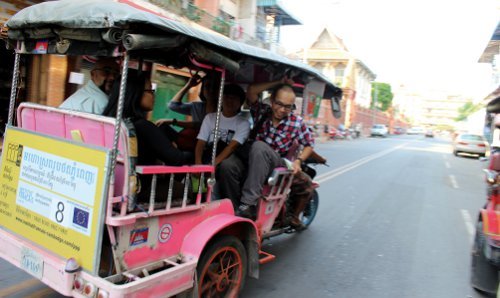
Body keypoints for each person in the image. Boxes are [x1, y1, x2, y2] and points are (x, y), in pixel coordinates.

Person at [218, 78, 315, 229]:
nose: (282, 110)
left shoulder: (296, 122)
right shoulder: (261, 111)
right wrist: (279, 82)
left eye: (288, 107)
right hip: (252, 159)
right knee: (226, 165)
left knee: (259, 147)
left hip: (275, 162)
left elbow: (309, 144)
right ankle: (235, 209)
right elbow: (251, 91)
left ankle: (248, 203)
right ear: (271, 100)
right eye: (279, 104)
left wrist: (298, 161)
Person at [103, 70, 193, 201]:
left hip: (112, 186)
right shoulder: (142, 126)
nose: (153, 95)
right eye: (150, 90)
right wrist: (173, 146)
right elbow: (177, 159)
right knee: (187, 191)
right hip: (140, 189)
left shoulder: (109, 121)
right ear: (136, 93)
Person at [195, 84, 249, 166]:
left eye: (234, 98)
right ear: (221, 99)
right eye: (227, 97)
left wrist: (212, 165)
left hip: (227, 160)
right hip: (208, 155)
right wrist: (198, 163)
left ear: (240, 103)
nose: (230, 101)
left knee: (227, 165)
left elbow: (231, 147)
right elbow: (201, 142)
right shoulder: (210, 118)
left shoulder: (243, 123)